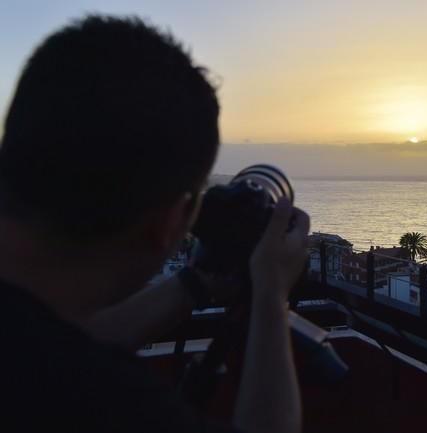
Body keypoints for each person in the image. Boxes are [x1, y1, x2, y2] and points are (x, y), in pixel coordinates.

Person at [0, 15, 308, 433]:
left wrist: (195, 283)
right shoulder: (99, 403)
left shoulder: (36, 353)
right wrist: (272, 292)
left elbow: (63, 339)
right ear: (168, 222)